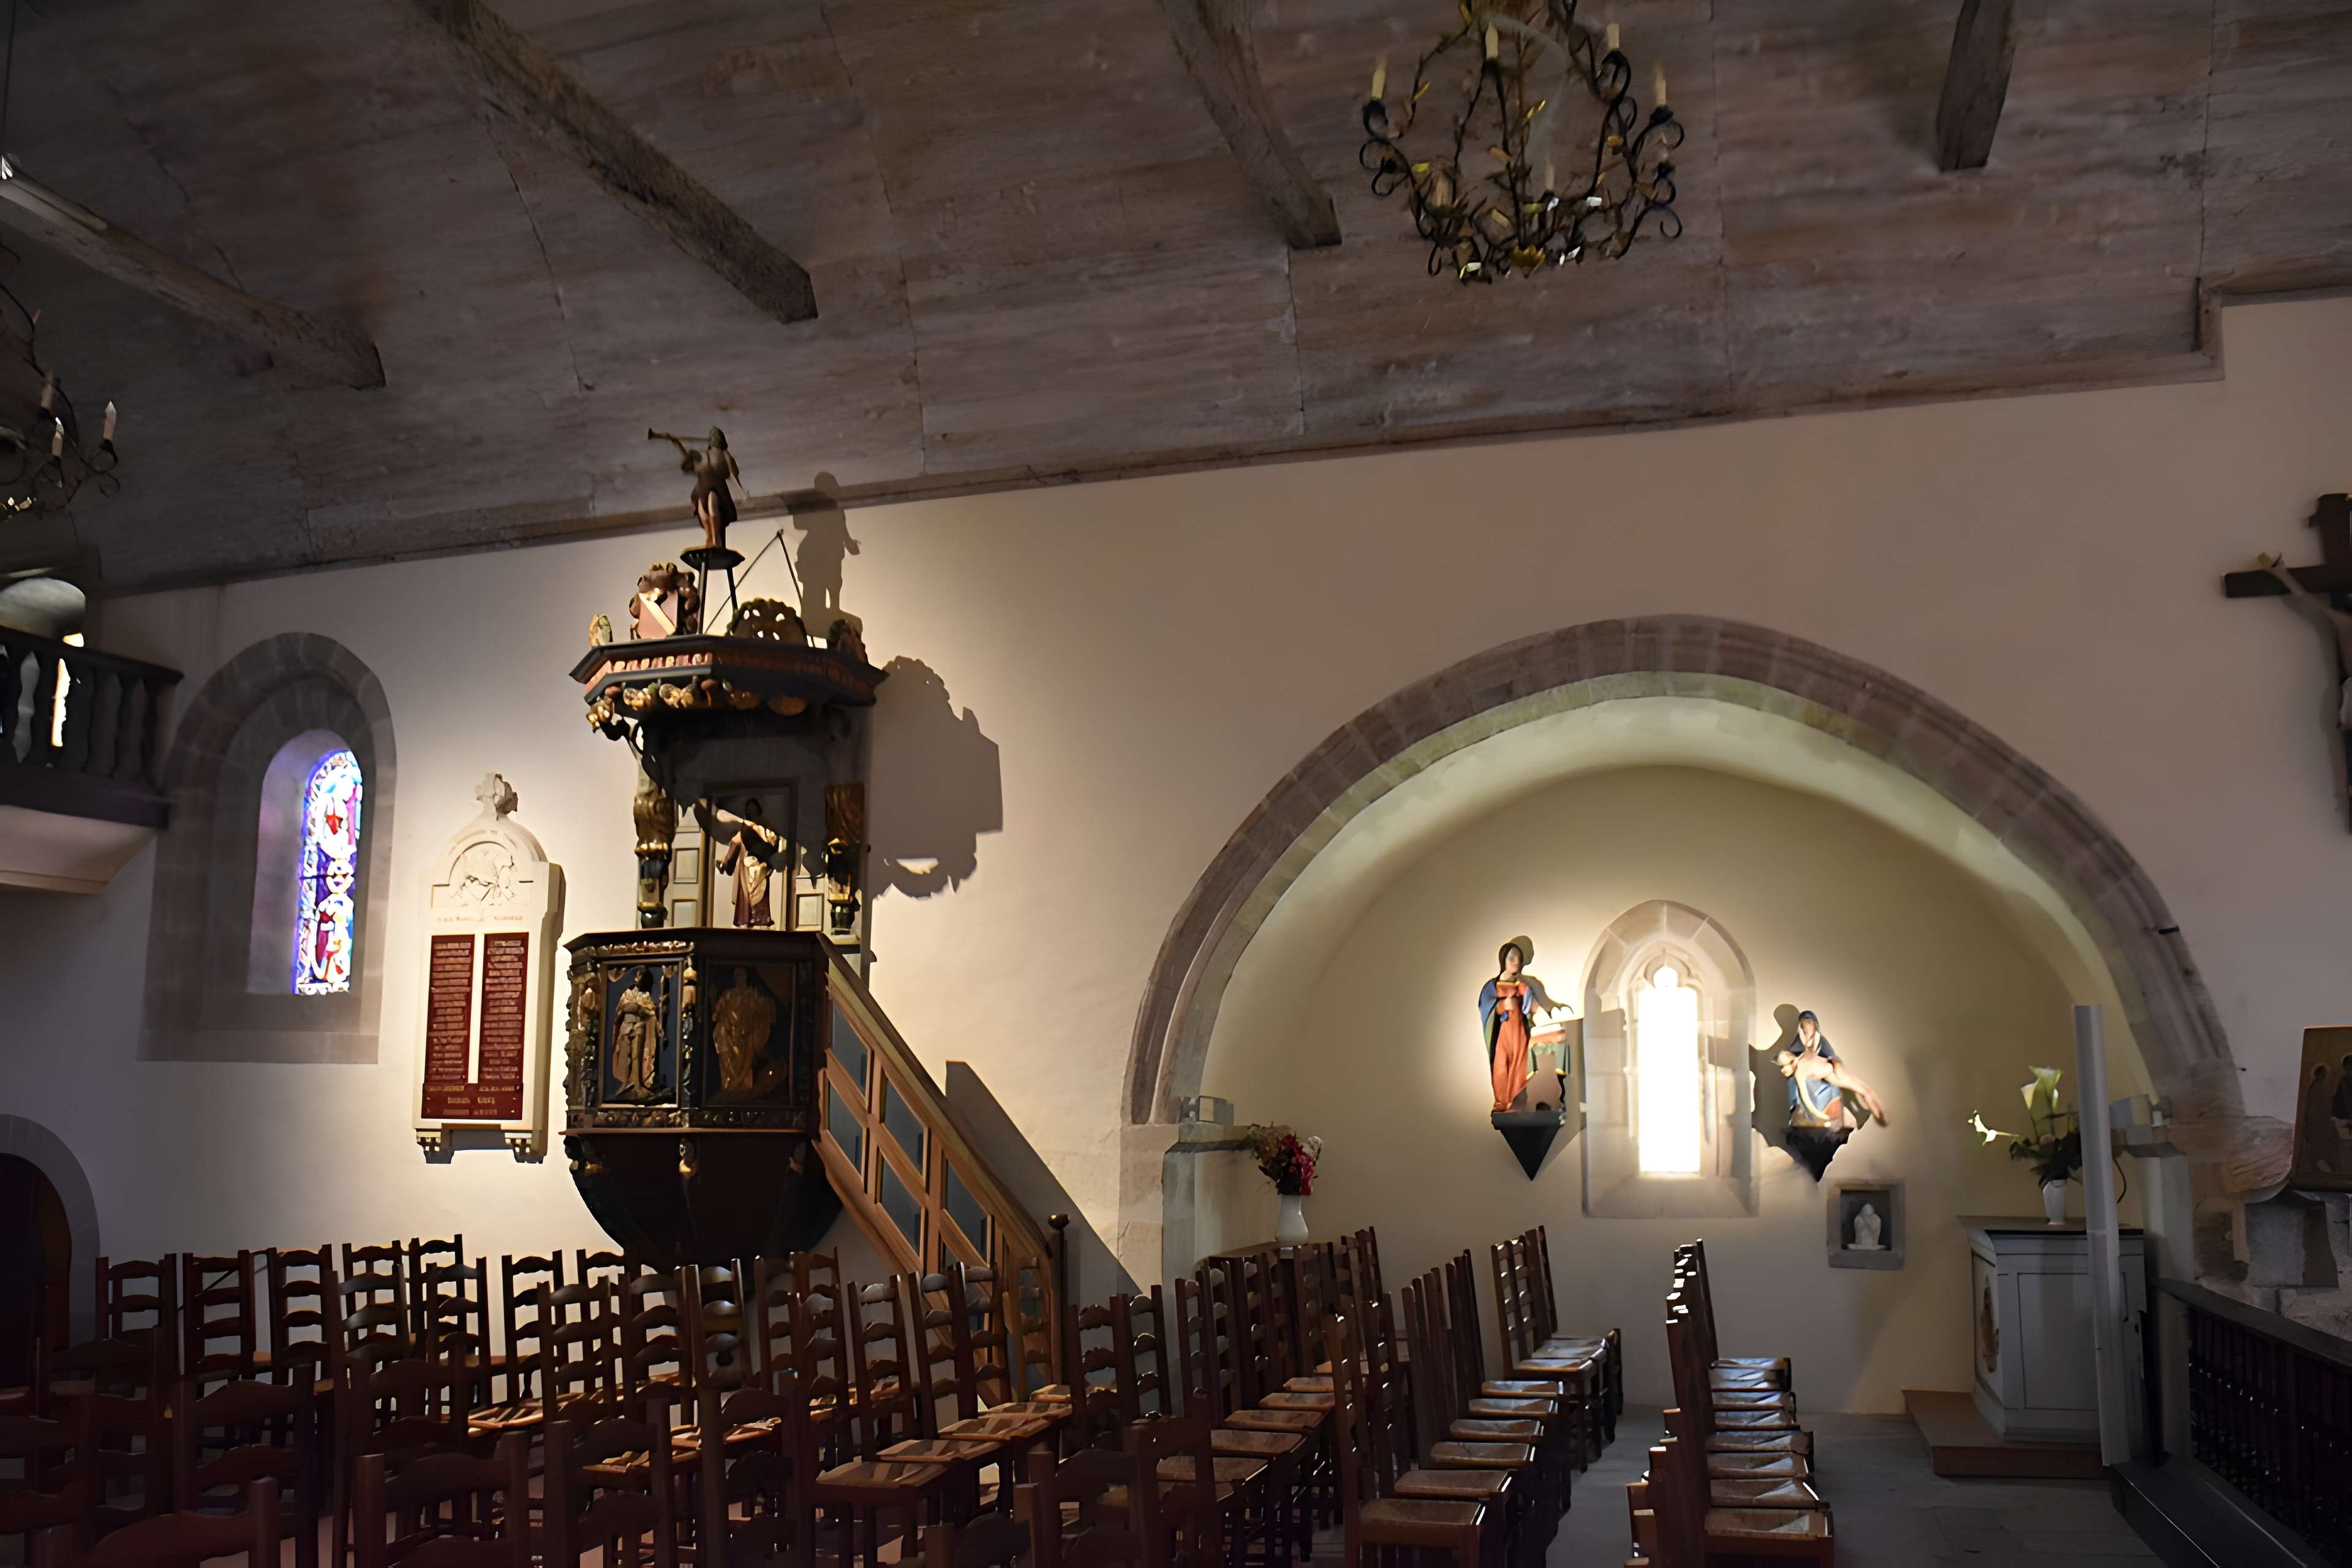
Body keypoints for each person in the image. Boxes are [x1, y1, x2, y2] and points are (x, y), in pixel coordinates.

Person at [2256, 551, 2352, 731]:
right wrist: (2282, 574)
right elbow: (2306, 599)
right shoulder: (2345, 623)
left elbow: (2306, 599)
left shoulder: (2344, 623)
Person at [1478, 940, 1566, 1114]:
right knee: (1501, 1066)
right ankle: (1502, 1102)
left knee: (1520, 1067)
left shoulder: (1523, 986)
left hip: (1519, 1034)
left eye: (1518, 959)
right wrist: (1501, 1006)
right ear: (1503, 960)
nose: (1515, 962)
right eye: (1511, 958)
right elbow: (1485, 1006)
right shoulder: (1492, 986)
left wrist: (1550, 1012)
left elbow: (1533, 1007)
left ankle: (1517, 1102)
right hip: (1502, 1035)